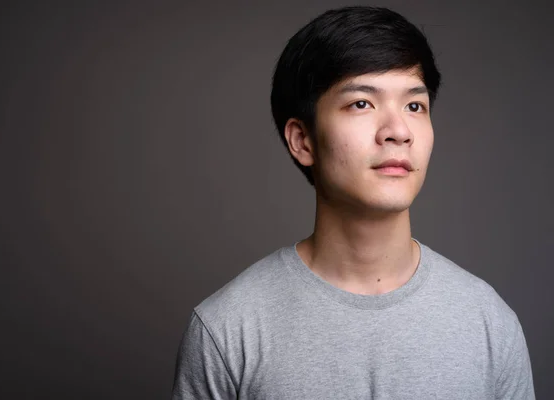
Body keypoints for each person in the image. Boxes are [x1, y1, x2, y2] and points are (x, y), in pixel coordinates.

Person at [171, 6, 535, 399]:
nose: (399, 131)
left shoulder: (489, 322)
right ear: (303, 141)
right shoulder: (227, 329)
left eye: (415, 106)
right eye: (362, 103)